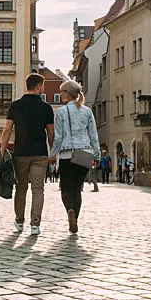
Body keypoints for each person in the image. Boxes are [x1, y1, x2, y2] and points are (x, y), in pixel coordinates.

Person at [0, 73, 54, 236]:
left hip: (20, 153)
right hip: (39, 154)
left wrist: (2, 150)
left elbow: (7, 129)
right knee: (38, 190)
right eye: (42, 86)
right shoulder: (46, 107)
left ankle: (19, 221)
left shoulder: (15, 106)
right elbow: (51, 133)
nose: (43, 89)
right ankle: (35, 225)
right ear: (38, 87)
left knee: (21, 188)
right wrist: (53, 151)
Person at [50, 80, 100, 234]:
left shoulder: (61, 112)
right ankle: (75, 220)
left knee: (66, 189)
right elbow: (93, 135)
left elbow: (58, 137)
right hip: (85, 153)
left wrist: (52, 155)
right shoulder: (87, 111)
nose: (60, 94)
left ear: (68, 93)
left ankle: (70, 212)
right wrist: (96, 153)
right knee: (77, 189)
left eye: (62, 92)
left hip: (67, 153)